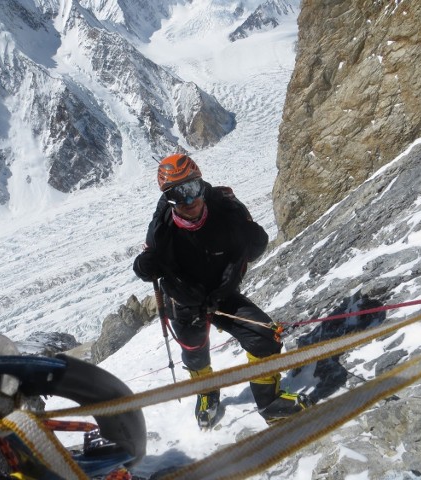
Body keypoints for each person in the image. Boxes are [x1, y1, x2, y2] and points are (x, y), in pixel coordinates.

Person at [133, 153, 310, 428]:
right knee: (194, 352)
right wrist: (145, 267)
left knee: (265, 338)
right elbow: (152, 267)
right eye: (178, 195)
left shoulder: (226, 210)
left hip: (221, 294)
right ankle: (207, 391)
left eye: (192, 190)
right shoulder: (161, 230)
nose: (189, 202)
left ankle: (270, 403)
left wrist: (253, 243)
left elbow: (244, 253)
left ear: (201, 185)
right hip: (185, 302)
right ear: (168, 200)